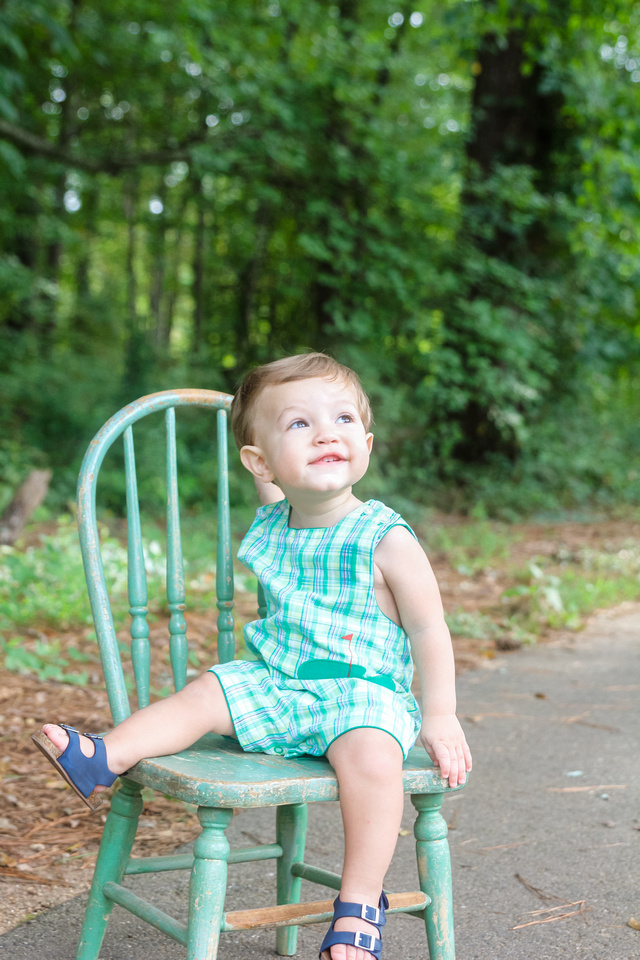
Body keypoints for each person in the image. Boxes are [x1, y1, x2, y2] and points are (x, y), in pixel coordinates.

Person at [33, 352, 472, 960]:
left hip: (362, 695)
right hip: (276, 684)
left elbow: (429, 629)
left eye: (343, 419)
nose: (326, 433)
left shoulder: (386, 537)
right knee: (206, 691)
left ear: (366, 444)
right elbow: (278, 475)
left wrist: (441, 713)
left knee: (373, 760)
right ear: (262, 463)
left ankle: (359, 905)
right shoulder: (277, 519)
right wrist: (259, 417)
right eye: (299, 424)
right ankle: (106, 755)